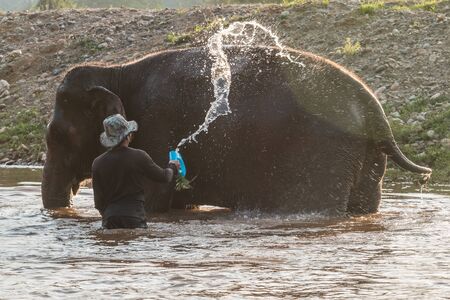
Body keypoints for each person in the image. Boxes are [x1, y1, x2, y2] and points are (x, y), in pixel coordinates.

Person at [92, 114, 180, 229]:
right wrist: (172, 166)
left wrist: (109, 216)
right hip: (134, 217)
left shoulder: (98, 162)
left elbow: (98, 202)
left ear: (110, 140)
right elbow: (164, 177)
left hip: (110, 218)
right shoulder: (139, 156)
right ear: (128, 136)